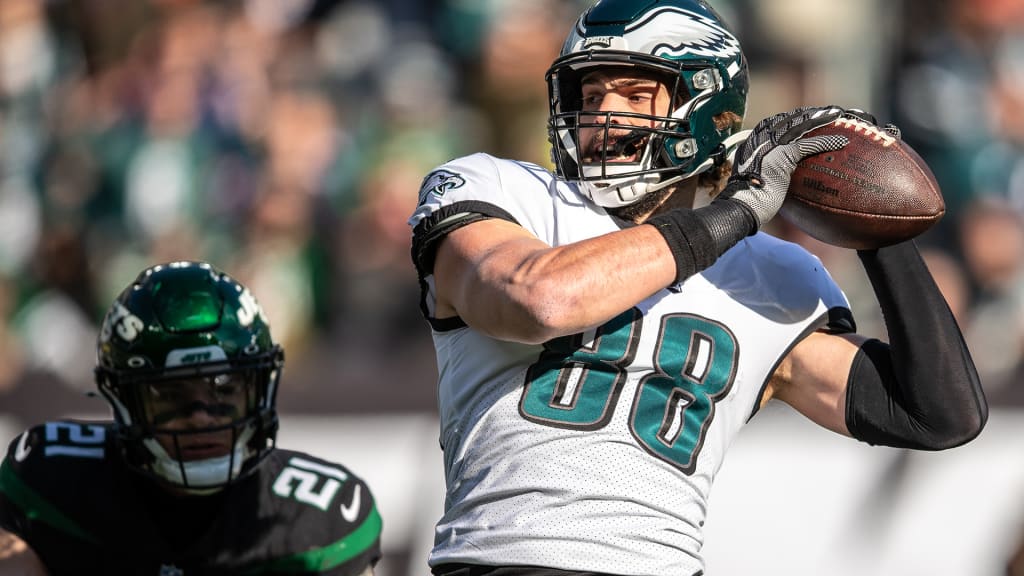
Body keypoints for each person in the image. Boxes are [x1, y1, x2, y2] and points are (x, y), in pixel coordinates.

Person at [407, 1, 988, 575]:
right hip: (503, 561)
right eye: (590, 95)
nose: (603, 115)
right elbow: (540, 300)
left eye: (635, 96)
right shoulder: (507, 194)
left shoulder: (767, 271)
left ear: (705, 109)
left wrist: (879, 226)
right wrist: (734, 214)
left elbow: (935, 415)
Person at [0, 261, 382, 575]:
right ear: (122, 400)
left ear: (258, 389)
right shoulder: (49, 482)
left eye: (224, 388)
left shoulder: (322, 519)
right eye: (170, 394)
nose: (200, 416)